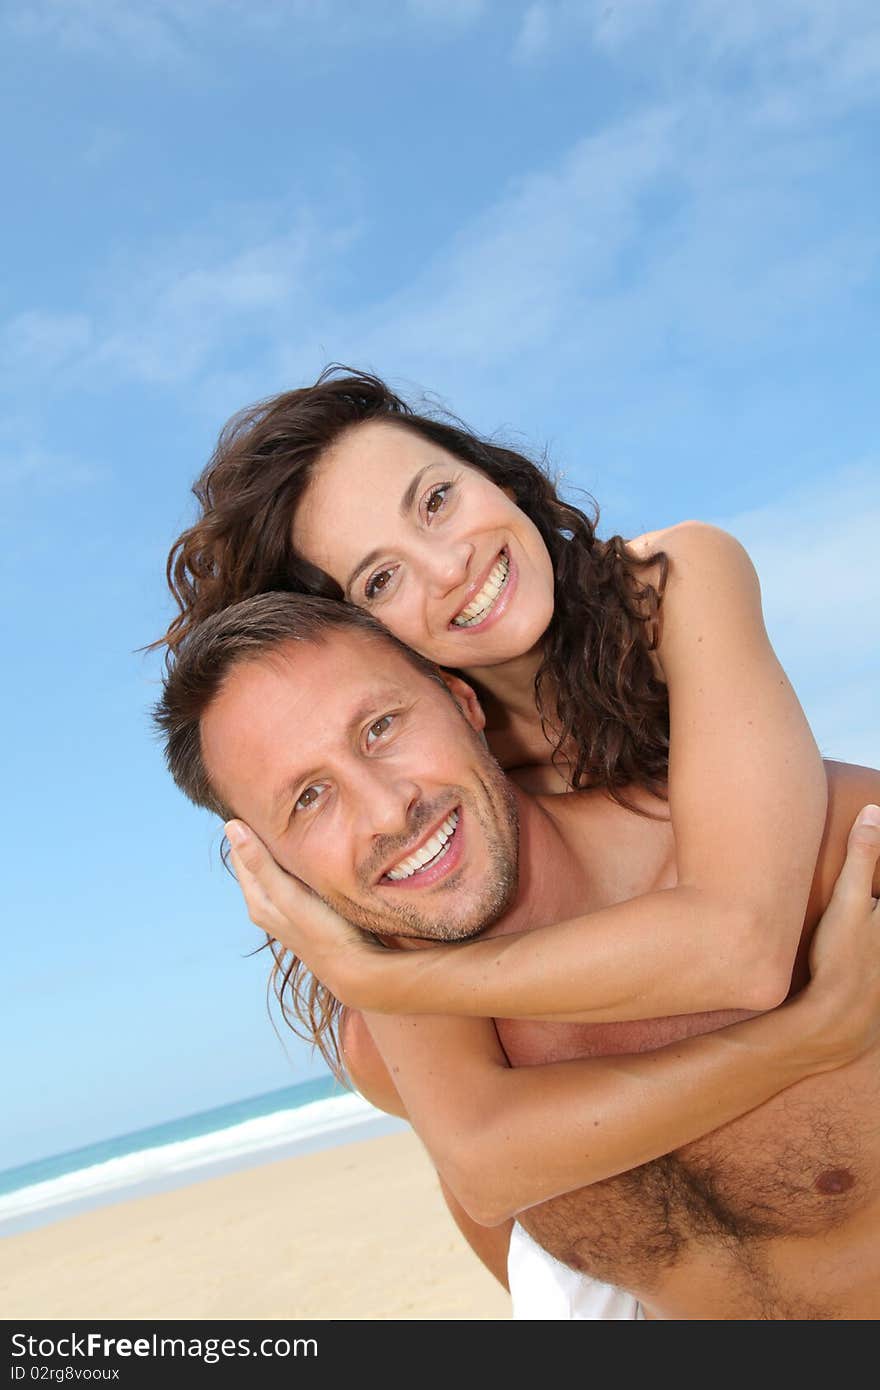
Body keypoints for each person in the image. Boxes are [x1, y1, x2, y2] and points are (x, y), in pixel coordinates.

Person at [153, 593, 880, 1320]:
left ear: (463, 703)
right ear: (273, 868)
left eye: (380, 729)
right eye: (310, 798)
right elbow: (548, 1289)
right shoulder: (404, 1063)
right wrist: (804, 1041)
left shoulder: (823, 855)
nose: (386, 810)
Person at [155, 368, 828, 1035]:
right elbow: (469, 1125)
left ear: (494, 477)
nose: (450, 568)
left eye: (437, 500)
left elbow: (748, 941)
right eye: (382, 578)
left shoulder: (672, 584)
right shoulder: (432, 783)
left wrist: (384, 982)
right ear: (357, 637)